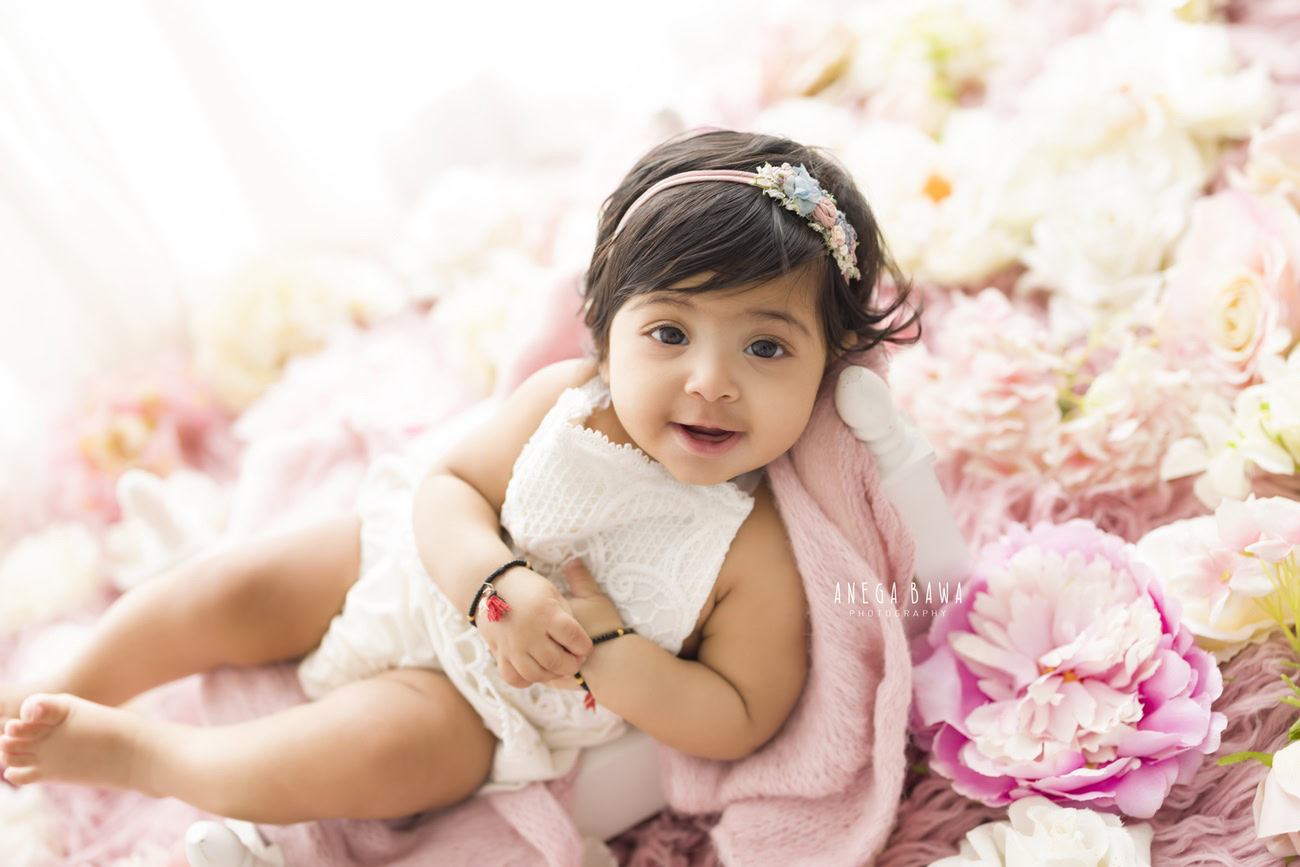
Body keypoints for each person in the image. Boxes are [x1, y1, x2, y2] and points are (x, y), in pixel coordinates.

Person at [0, 129, 918, 824]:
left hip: (488, 703)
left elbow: (743, 712)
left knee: (364, 753)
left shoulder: (747, 544)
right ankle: (72, 677)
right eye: (670, 333)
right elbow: (450, 491)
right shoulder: (572, 403)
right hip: (406, 570)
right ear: (604, 327)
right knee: (233, 586)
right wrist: (493, 579)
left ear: (827, 366)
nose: (709, 380)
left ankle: (152, 758)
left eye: (765, 346)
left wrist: (616, 656)